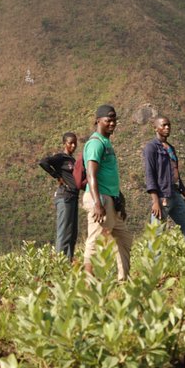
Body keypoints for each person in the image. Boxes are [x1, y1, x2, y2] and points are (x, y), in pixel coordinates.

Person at [82, 104, 134, 280]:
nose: (112, 123)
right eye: (108, 120)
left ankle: (123, 280)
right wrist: (98, 203)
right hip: (101, 200)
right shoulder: (95, 143)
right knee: (97, 241)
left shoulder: (106, 143)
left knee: (124, 239)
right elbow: (91, 175)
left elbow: (109, 176)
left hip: (110, 199)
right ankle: (89, 284)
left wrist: (121, 201)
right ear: (98, 121)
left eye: (114, 120)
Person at [142, 117, 185, 249]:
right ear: (155, 128)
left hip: (175, 193)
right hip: (162, 196)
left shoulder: (171, 148)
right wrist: (155, 201)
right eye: (163, 125)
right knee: (156, 234)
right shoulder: (151, 148)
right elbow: (149, 175)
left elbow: (176, 175)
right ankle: (154, 265)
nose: (167, 128)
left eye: (168, 125)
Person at [37, 132, 80, 260]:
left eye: (75, 143)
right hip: (65, 197)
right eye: (70, 142)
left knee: (72, 233)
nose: (73, 145)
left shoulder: (72, 160)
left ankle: (68, 262)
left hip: (74, 197)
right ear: (64, 143)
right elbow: (43, 162)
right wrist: (57, 176)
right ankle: (58, 264)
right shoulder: (61, 157)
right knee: (64, 232)